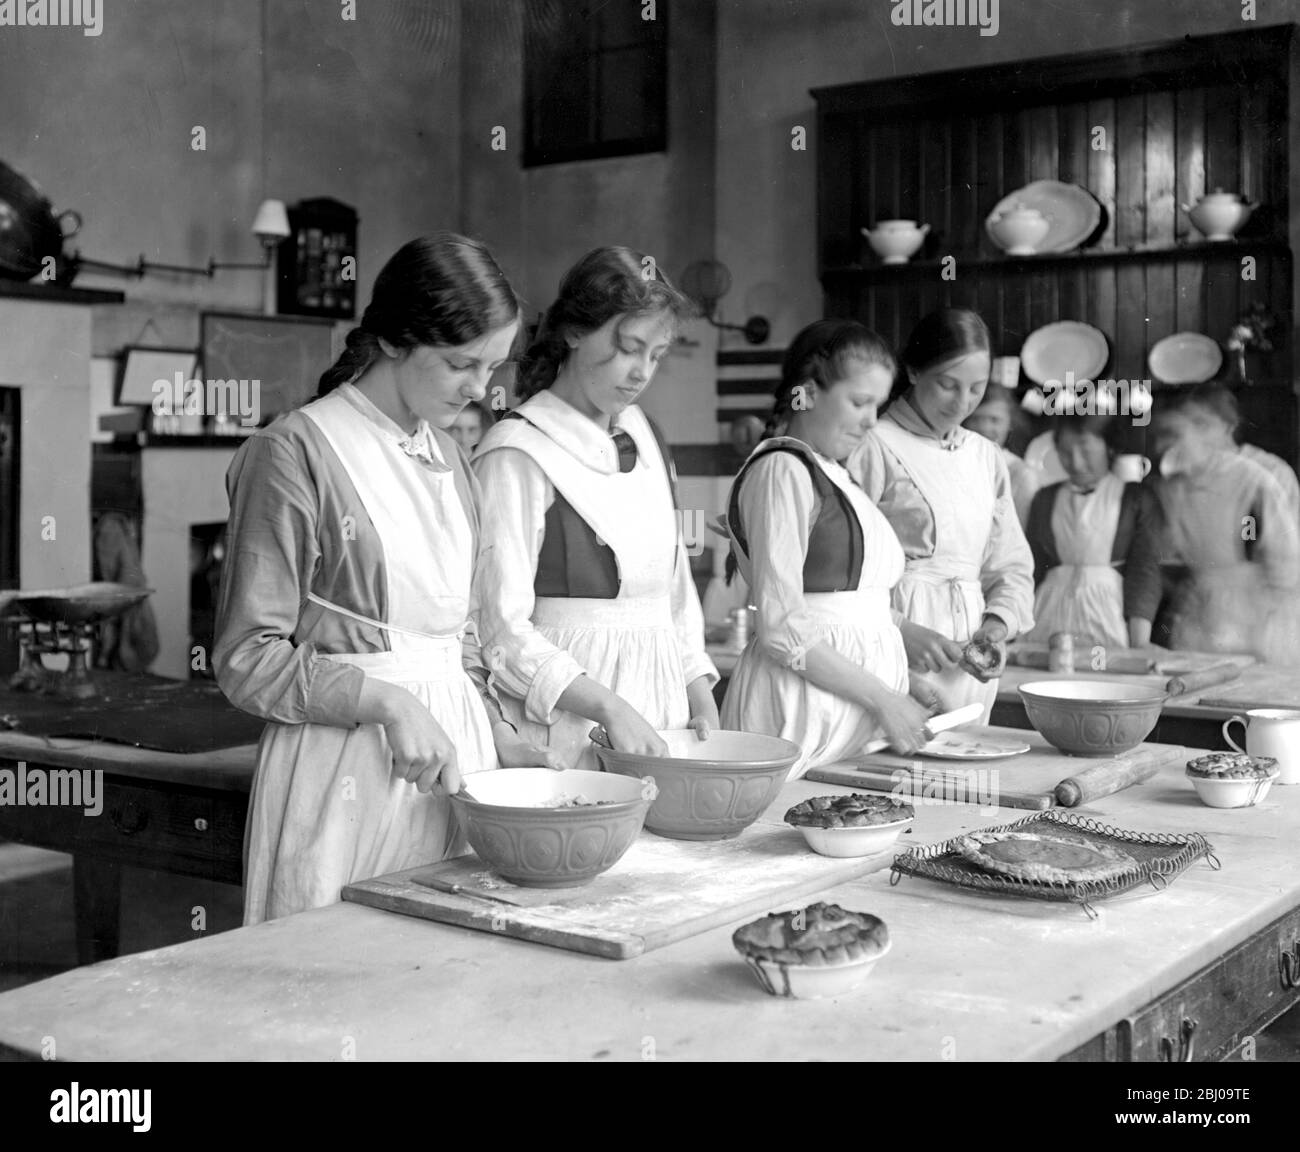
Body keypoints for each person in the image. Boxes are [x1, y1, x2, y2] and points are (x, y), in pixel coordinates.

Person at [214, 234, 561, 925]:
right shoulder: (294, 454)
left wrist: (497, 726)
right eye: (461, 364)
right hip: (343, 767)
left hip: (450, 765)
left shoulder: (449, 458)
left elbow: (451, 636)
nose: (479, 390)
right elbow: (245, 660)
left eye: (493, 366)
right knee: (338, 983)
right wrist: (390, 704)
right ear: (397, 340)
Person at [473, 247, 719, 769]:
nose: (641, 373)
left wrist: (698, 687)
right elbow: (499, 629)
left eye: (656, 355)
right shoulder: (517, 451)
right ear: (575, 332)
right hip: (568, 717)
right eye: (629, 348)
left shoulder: (647, 436)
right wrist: (608, 706)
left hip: (663, 711)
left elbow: (674, 592)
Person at [719, 320, 931, 776]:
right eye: (859, 402)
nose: (872, 420)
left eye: (878, 404)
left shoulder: (833, 471)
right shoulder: (784, 470)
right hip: (801, 709)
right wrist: (885, 698)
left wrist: (902, 673)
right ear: (807, 393)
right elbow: (781, 625)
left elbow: (848, 605)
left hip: (850, 713)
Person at [846, 308, 1035, 718]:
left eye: (976, 388)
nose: (962, 402)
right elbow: (842, 575)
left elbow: (1011, 565)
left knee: (962, 770)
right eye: (948, 385)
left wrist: (996, 629)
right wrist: (900, 629)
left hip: (969, 663)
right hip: (891, 647)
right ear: (913, 372)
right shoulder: (872, 445)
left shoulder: (985, 456)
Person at [1151, 388, 1299, 661]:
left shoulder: (1267, 474)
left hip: (1259, 614)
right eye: (1182, 426)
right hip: (1202, 611)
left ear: (1229, 427)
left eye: (1202, 424)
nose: (1191, 436)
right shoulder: (1176, 481)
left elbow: (1285, 564)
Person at [1023, 414, 1163, 651]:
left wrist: (1139, 641)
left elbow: (1144, 569)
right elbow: (1030, 569)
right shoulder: (1045, 499)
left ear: (1109, 447)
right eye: (1065, 453)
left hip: (1108, 617)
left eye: (1086, 452)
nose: (1076, 463)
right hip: (1047, 615)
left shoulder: (1135, 498)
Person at [963, 384, 1039, 526]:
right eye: (976, 419)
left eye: (994, 420)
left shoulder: (1022, 476)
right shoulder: (954, 463)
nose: (984, 428)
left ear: (1010, 423)